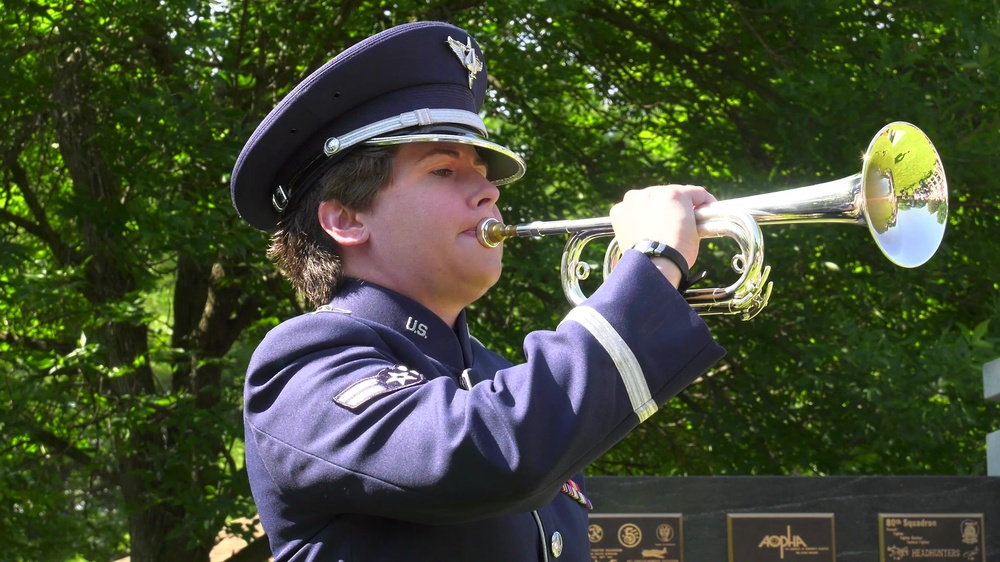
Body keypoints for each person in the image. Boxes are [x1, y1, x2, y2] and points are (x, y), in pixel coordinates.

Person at [230, 21, 725, 562]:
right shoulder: (305, 364)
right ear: (346, 218)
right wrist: (652, 266)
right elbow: (493, 451)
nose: (488, 188)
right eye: (444, 170)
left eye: (483, 171)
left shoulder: (494, 378)